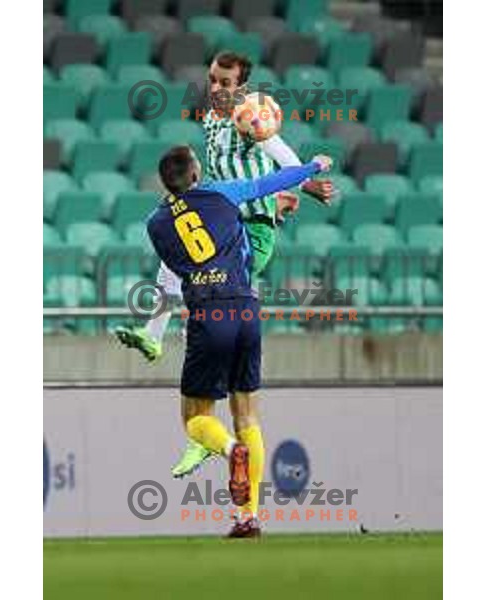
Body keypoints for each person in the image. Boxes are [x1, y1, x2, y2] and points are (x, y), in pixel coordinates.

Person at [117, 51, 334, 478]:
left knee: (207, 301)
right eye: (212, 79)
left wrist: (303, 184)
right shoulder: (211, 117)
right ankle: (159, 343)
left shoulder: (251, 114)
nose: (216, 88)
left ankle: (202, 429)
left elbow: (282, 160)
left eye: (225, 83)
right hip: (228, 217)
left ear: (243, 86)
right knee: (177, 263)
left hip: (249, 228)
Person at [145, 146, 332, 537]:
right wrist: (314, 166)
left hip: (207, 313)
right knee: (247, 414)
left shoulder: (155, 224)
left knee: (195, 418)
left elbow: (176, 270)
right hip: (246, 308)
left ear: (165, 182)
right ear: (197, 172)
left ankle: (231, 452)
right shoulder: (221, 193)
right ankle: (247, 517)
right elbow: (269, 182)